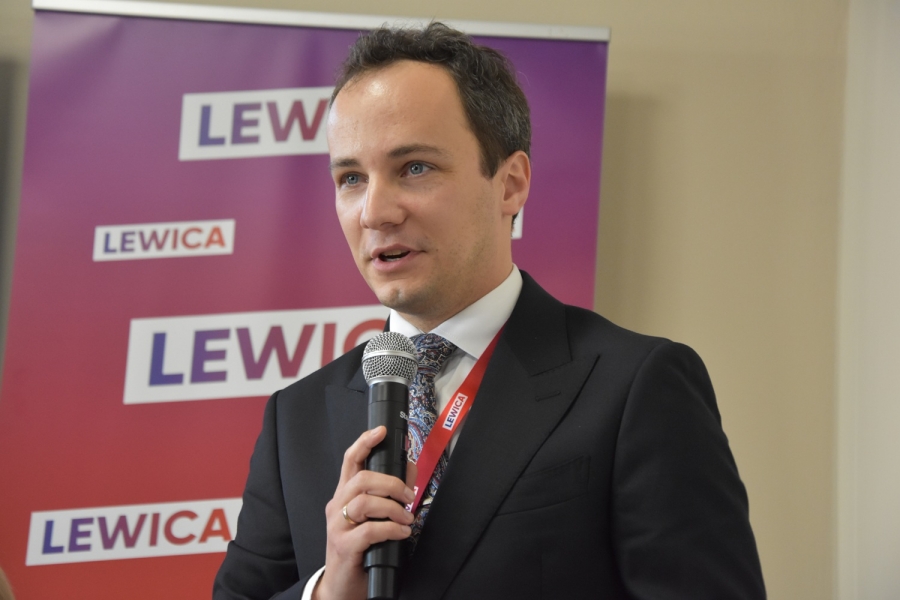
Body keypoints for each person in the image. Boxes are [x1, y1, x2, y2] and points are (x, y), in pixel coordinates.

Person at [214, 23, 766, 600]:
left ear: (510, 184)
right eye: (351, 178)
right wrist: (328, 592)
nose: (374, 212)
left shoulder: (635, 387)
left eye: (414, 167)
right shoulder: (295, 418)